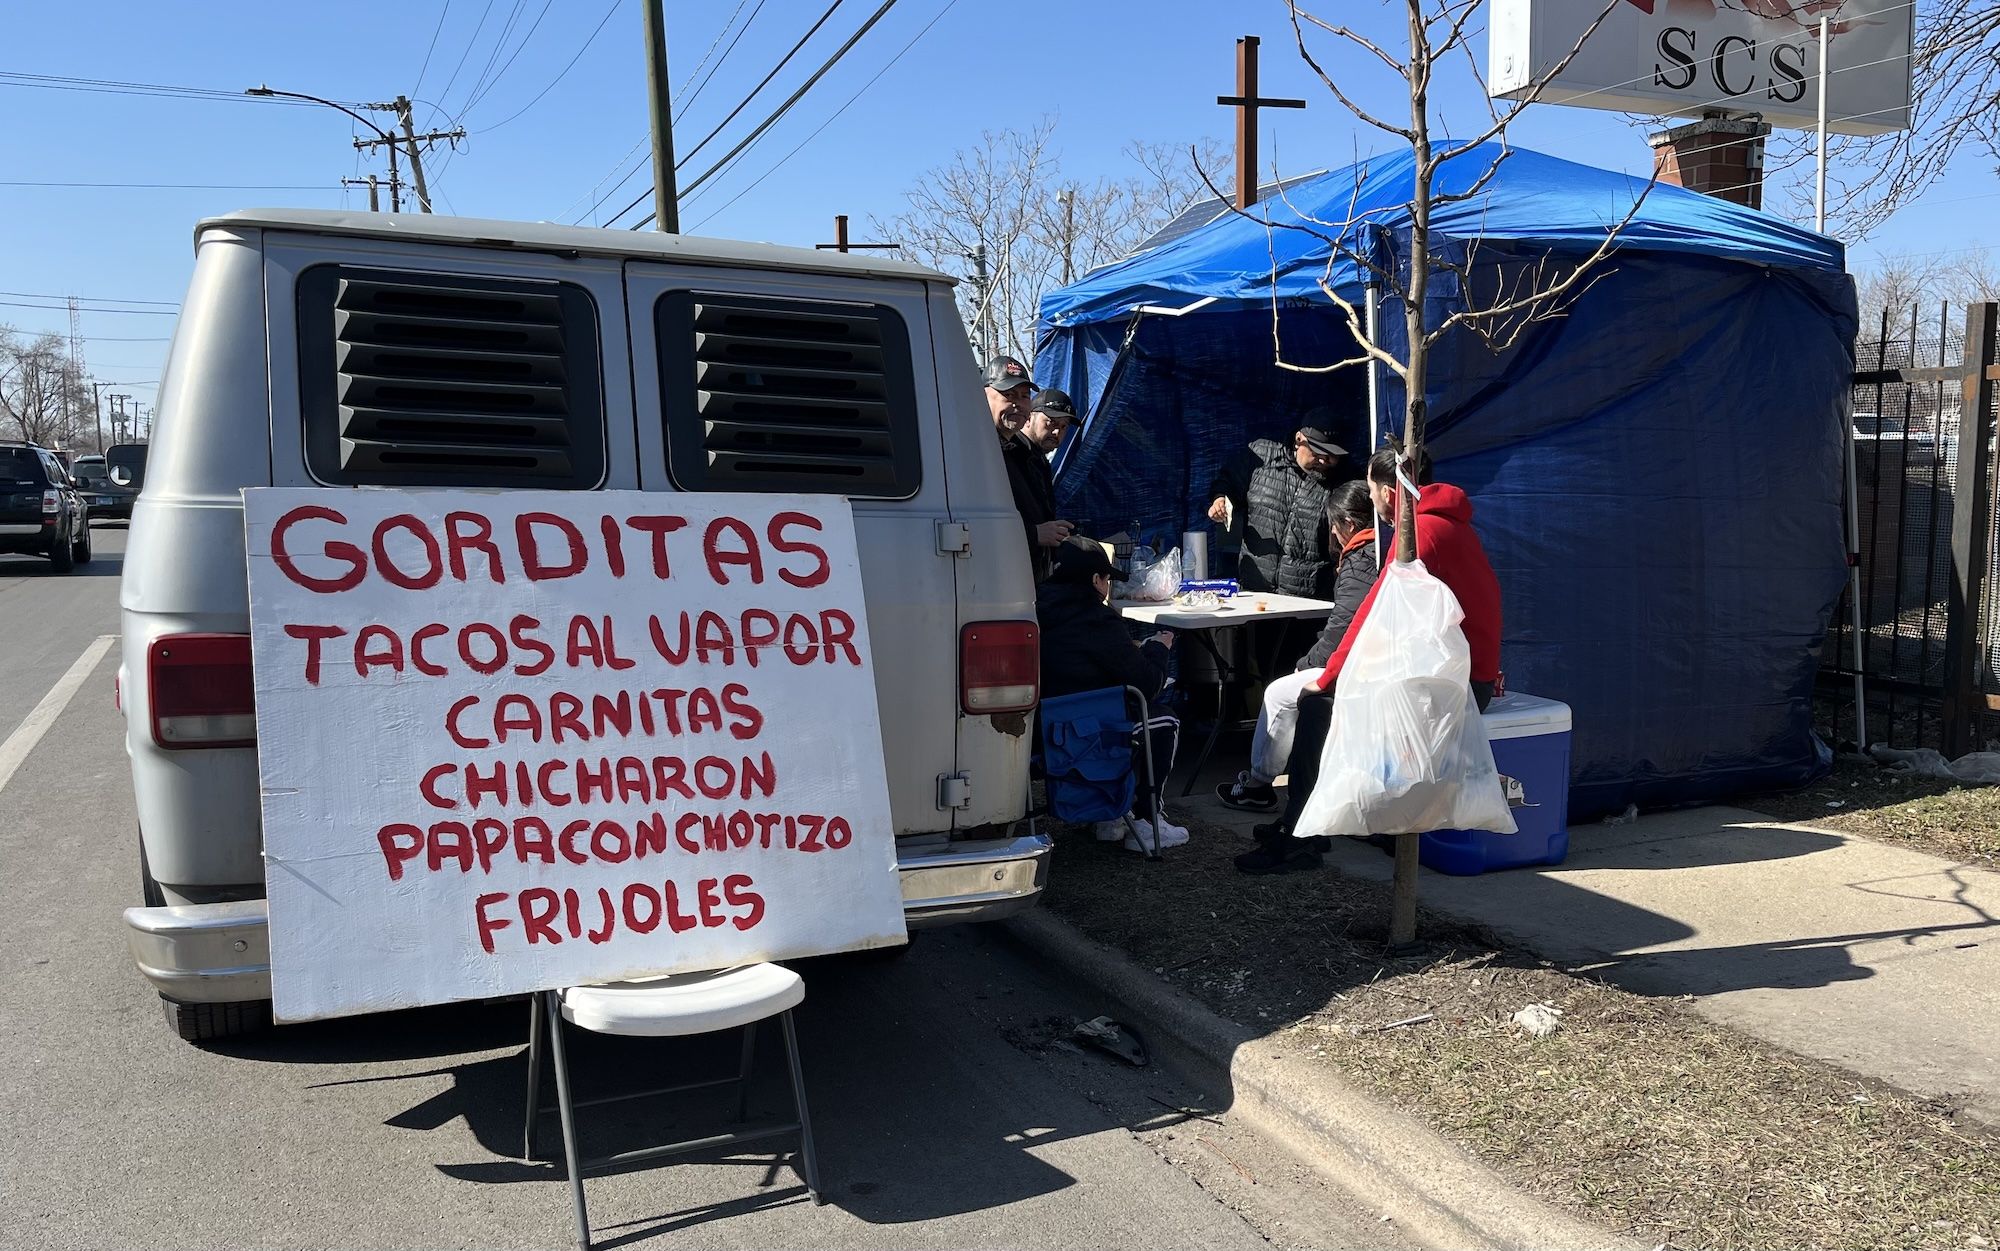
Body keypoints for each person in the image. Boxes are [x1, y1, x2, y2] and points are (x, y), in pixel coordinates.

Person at [1235, 442, 1503, 875]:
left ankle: (1301, 836)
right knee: (1329, 705)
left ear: (1392, 491)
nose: (1370, 498)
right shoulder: (1448, 523)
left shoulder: (1420, 533)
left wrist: (1326, 678)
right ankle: (1306, 823)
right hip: (1462, 676)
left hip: (1454, 687)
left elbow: (1368, 618)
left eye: (1374, 489)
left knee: (1317, 707)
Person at [1213, 480, 1379, 813]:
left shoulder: (1361, 561)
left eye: (1334, 525)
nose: (1332, 533)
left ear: (1347, 524)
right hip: (1375, 658)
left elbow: (1342, 630)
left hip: (1364, 666)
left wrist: (1308, 663)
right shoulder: (1381, 548)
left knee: (1278, 692)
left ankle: (1257, 785)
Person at [1037, 536, 1189, 851]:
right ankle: (1147, 820)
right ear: (1095, 580)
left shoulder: (1034, 609)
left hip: (1043, 734)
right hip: (1088, 734)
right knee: (1164, 720)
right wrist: (1159, 649)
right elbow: (1147, 684)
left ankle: (1111, 814)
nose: (1108, 587)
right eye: (1106, 579)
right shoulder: (1098, 619)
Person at [1205, 412, 1351, 599]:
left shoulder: (1345, 481)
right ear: (1299, 439)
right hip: (1254, 592)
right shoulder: (1261, 457)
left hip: (1308, 601)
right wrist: (1220, 499)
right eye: (1317, 452)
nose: (1324, 460)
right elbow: (1228, 481)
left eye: (1332, 455)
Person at [1005, 387, 1078, 580]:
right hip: (1009, 574)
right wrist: (1035, 534)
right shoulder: (1009, 455)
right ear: (1029, 417)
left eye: (1064, 427)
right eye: (1051, 422)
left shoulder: (1039, 460)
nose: (1056, 432)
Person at [983, 354, 1034, 445]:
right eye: (1009, 395)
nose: (1019, 403)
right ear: (984, 397)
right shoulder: (967, 443)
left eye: (1025, 396)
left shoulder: (1026, 452)